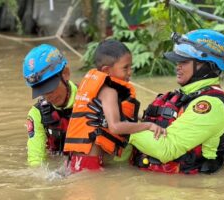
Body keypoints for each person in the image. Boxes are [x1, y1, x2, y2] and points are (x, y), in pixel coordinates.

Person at [129, 29, 224, 174]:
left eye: (184, 61)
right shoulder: (190, 95)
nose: (177, 66)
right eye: (177, 61)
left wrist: (121, 127)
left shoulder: (210, 106)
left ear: (206, 65)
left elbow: (166, 149)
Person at [63, 39, 164, 172]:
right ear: (107, 71)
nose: (130, 72)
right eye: (125, 68)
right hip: (89, 163)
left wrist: (142, 118)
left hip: (75, 160)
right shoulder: (109, 92)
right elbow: (116, 127)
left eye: (130, 67)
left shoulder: (94, 87)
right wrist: (149, 125)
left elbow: (112, 114)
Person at [22, 44, 77, 167]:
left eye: (50, 88)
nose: (48, 96)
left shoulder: (91, 100)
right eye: (42, 91)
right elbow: (36, 159)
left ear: (66, 74)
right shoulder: (38, 114)